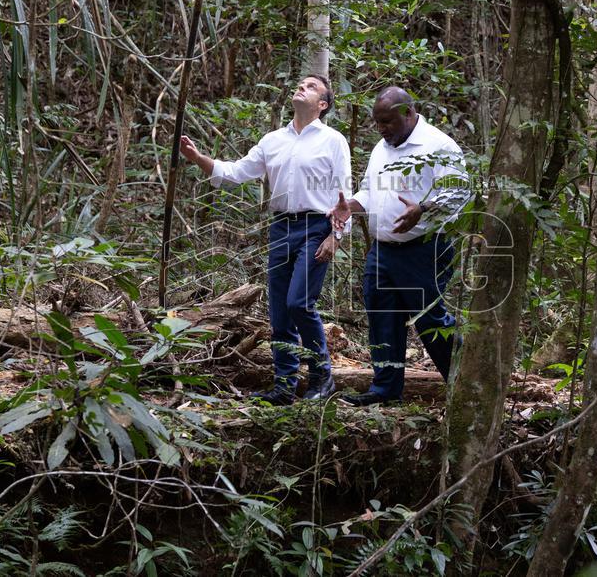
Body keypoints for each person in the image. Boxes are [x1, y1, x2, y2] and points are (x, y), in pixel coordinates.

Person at [180, 75, 351, 405]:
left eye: (311, 87)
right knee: (279, 313)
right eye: (301, 84)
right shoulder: (273, 140)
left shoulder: (332, 140)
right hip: (281, 228)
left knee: (299, 303)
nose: (302, 87)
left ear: (323, 104)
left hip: (317, 225)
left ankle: (322, 376)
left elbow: (345, 194)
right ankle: (284, 386)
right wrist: (199, 159)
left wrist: (337, 235)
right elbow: (236, 172)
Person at [329, 87, 467, 406]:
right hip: (383, 251)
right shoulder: (382, 148)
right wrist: (351, 205)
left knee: (430, 321)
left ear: (407, 113)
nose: (381, 128)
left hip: (424, 249)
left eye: (387, 121)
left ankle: (462, 387)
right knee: (382, 317)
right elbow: (369, 192)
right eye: (377, 122)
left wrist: (423, 208)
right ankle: (385, 390)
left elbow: (459, 193)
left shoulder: (439, 145)